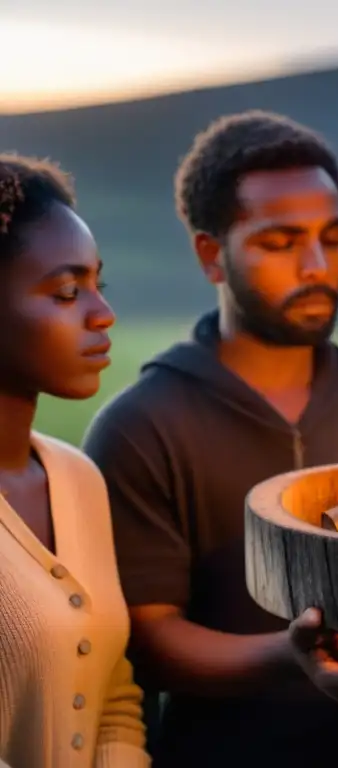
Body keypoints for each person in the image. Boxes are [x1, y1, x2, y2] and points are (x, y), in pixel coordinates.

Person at [81, 111, 338, 768]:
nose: (316, 266)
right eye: (281, 242)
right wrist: (295, 655)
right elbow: (150, 637)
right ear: (212, 254)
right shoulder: (143, 426)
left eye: (332, 237)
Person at [0, 155, 149, 766]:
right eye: (67, 292)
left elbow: (113, 691)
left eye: (97, 285)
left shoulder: (79, 478)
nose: (102, 314)